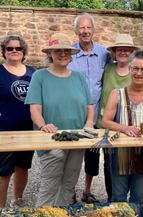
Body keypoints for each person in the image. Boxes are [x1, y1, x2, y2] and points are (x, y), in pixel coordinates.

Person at [25, 33, 94, 207]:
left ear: (71, 55)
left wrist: (88, 123)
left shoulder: (78, 77)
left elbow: (90, 106)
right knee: (50, 184)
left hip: (77, 138)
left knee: (69, 184)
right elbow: (34, 109)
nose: (62, 54)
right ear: (50, 53)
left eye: (66, 51)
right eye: (58, 50)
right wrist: (43, 125)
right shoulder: (39, 76)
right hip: (51, 139)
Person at [101, 50, 143, 203]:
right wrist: (125, 128)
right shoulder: (117, 94)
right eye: (135, 69)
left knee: (138, 197)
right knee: (118, 198)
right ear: (130, 69)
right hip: (120, 155)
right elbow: (105, 121)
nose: (139, 73)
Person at [0, 35, 35, 208]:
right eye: (10, 48)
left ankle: (18, 199)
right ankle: (0, 208)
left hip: (27, 130)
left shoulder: (32, 72)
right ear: (4, 51)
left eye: (18, 48)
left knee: (22, 167)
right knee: (3, 171)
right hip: (3, 131)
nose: (14, 51)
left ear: (23, 51)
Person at [68, 13, 110, 204]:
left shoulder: (104, 54)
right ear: (76, 30)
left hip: (97, 113)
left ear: (94, 30)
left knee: (93, 153)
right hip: (74, 112)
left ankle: (87, 190)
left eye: (88, 27)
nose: (85, 31)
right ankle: (69, 190)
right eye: (81, 28)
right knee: (72, 153)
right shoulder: (69, 53)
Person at [97, 33, 138, 202]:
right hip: (107, 125)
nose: (123, 53)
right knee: (110, 163)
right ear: (114, 52)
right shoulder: (107, 69)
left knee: (132, 160)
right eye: (120, 49)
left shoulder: (136, 72)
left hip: (130, 126)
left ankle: (132, 198)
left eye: (127, 50)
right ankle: (112, 198)